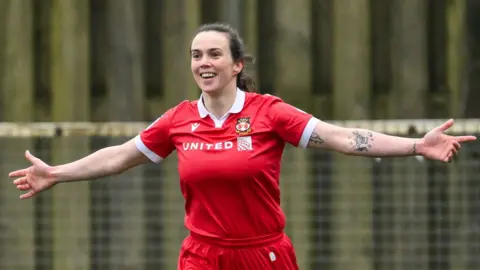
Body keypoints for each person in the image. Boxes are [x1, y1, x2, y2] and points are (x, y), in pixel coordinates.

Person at [9, 22, 477, 270]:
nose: (203, 63)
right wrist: (57, 173)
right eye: (196, 55)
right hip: (203, 257)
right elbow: (119, 155)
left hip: (264, 255)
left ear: (236, 65)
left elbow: (342, 138)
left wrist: (418, 146)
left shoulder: (270, 113)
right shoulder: (178, 120)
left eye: (214, 54)